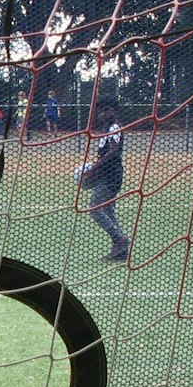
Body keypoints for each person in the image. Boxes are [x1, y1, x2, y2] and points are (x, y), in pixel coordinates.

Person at [75, 98, 129, 263]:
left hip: (111, 175)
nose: (103, 114)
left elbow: (113, 152)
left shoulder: (114, 127)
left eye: (107, 110)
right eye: (101, 111)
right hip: (106, 173)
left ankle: (120, 239)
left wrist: (93, 168)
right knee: (108, 210)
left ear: (115, 111)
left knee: (95, 208)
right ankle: (121, 248)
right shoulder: (106, 128)